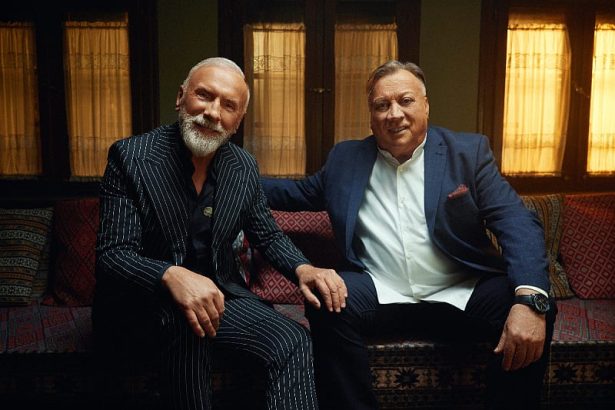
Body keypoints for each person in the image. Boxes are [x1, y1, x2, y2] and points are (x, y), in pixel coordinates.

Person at [261, 60, 557, 410]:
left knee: (534, 308)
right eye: (382, 105)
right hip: (381, 292)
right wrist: (228, 171)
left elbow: (515, 220)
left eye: (405, 101)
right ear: (371, 116)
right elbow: (293, 194)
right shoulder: (345, 159)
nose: (394, 114)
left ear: (426, 105)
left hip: (462, 291)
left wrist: (530, 299)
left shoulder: (468, 153)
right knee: (326, 301)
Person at [93, 57, 347, 410]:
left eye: (229, 105)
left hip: (219, 297)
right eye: (204, 95)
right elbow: (113, 254)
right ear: (181, 97)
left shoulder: (242, 166)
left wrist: (303, 268)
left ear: (238, 120)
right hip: (142, 304)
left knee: (292, 340)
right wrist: (172, 274)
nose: (213, 113)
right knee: (188, 324)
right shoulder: (131, 157)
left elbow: (268, 234)